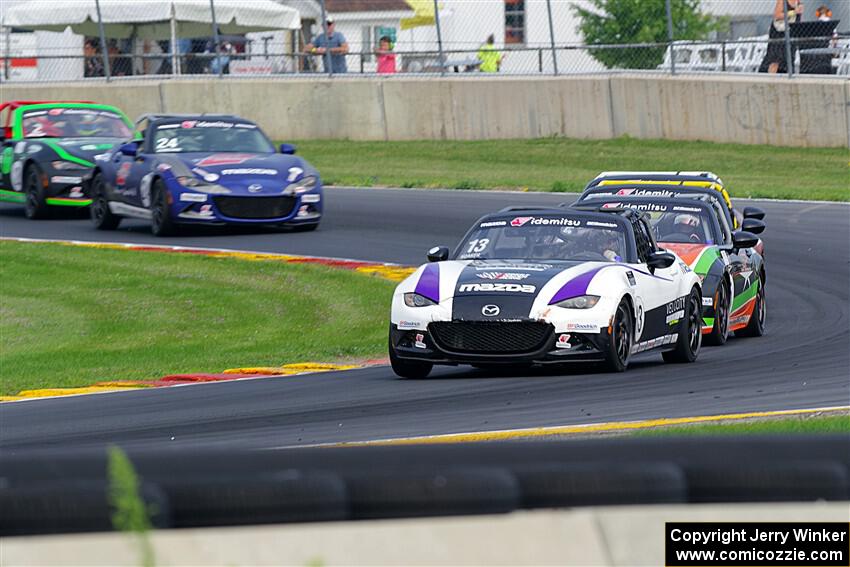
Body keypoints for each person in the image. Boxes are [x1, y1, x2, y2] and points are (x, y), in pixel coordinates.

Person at [759, 0, 803, 74]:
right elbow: (777, 15)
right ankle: (770, 79)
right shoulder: (782, 1)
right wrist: (794, 12)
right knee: (775, 57)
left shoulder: (798, 2)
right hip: (779, 32)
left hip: (791, 32)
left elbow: (798, 18)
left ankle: (787, 77)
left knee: (789, 56)